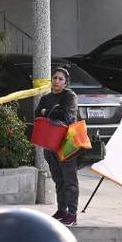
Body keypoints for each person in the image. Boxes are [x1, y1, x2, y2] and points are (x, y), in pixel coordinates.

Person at [35, 67, 79, 226]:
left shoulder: (69, 96)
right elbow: (37, 114)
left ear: (66, 82)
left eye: (61, 79)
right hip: (50, 143)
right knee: (58, 179)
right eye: (55, 78)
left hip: (67, 144)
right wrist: (48, 112)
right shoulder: (45, 98)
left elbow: (67, 116)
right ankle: (62, 210)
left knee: (70, 181)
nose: (57, 81)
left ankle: (72, 214)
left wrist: (47, 112)